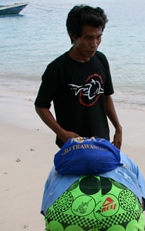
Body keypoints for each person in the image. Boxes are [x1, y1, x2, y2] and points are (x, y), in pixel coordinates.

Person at [34, 5, 123, 149]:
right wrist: (62, 133)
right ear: (73, 35)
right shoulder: (57, 68)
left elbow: (106, 96)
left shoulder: (101, 60)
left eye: (98, 37)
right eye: (88, 38)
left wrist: (118, 128)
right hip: (72, 144)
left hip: (101, 140)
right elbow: (41, 106)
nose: (94, 44)